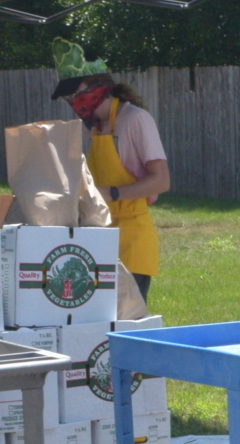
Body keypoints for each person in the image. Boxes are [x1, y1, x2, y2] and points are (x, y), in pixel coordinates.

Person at [52, 67, 168, 297]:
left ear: (99, 86)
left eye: (77, 93)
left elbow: (161, 181)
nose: (73, 101)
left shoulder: (136, 119)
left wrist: (111, 193)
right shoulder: (93, 127)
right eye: (69, 97)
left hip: (132, 239)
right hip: (99, 236)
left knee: (126, 322)